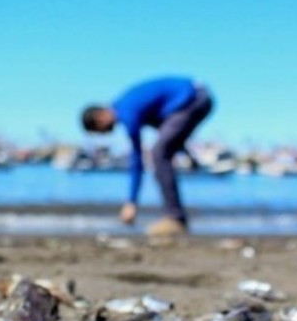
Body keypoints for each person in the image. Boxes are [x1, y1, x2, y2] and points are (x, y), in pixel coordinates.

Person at [81, 76, 214, 236]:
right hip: (194, 96)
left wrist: (131, 202)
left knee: (158, 154)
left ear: (100, 118)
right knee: (163, 149)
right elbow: (167, 131)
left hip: (192, 98)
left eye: (99, 131)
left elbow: (137, 161)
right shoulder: (128, 105)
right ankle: (176, 217)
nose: (104, 135)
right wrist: (189, 155)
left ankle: (176, 219)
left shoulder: (127, 112)